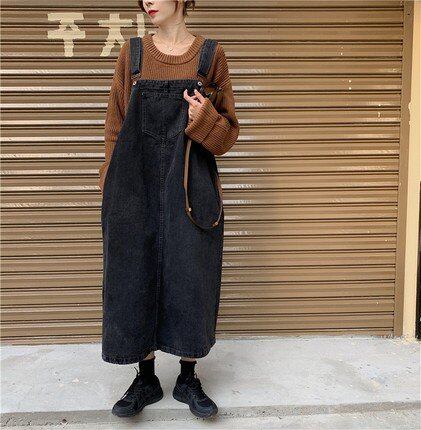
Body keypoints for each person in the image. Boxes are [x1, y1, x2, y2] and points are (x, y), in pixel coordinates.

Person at [99, 0, 240, 420]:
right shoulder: (132, 54)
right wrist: (109, 184)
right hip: (133, 186)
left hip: (191, 187)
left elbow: (227, 137)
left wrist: (204, 116)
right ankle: (145, 378)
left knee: (191, 275)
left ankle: (188, 377)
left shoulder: (211, 56)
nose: (148, 1)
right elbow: (115, 126)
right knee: (133, 273)